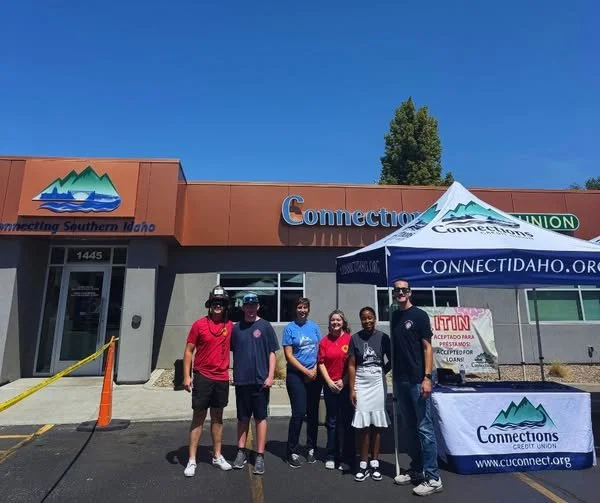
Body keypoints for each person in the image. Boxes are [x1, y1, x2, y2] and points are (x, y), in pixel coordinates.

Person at [391, 279, 443, 496]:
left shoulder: (420, 316)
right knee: (410, 428)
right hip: (400, 380)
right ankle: (417, 470)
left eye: (404, 290)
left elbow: (427, 348)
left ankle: (433, 478)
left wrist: (427, 377)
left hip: (417, 380)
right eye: (397, 290)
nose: (401, 293)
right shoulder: (394, 316)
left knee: (425, 428)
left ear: (410, 292)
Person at [183, 285, 233, 477]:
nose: (217, 306)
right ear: (209, 304)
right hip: (203, 377)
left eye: (220, 303)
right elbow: (188, 351)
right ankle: (192, 459)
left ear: (226, 305)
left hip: (221, 378)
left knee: (218, 418)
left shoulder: (230, 326)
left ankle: (217, 455)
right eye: (214, 302)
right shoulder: (199, 325)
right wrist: (186, 376)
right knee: (198, 417)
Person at [231, 292, 280, 475]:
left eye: (254, 306)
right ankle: (241, 451)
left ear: (258, 307)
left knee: (260, 418)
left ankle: (259, 455)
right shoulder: (236, 328)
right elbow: (233, 351)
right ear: (243, 307)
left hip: (260, 382)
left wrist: (270, 376)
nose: (250, 309)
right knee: (242, 418)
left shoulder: (265, 326)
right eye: (247, 306)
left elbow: (272, 353)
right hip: (242, 381)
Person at [348, 306, 391, 482]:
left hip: (377, 383)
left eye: (370, 318)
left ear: (375, 318)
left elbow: (391, 360)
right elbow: (351, 365)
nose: (367, 321)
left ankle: (375, 462)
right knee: (364, 426)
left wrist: (382, 371)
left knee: (377, 425)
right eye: (364, 318)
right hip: (361, 382)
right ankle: (363, 463)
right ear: (361, 320)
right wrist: (352, 389)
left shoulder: (383, 337)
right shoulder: (355, 339)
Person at [283, 297, 323, 468]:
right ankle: (291, 450)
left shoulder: (314, 327)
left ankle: (311, 447)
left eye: (305, 307)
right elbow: (289, 355)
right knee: (299, 413)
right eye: (299, 307)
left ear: (308, 309)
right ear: (295, 309)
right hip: (296, 376)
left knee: (313, 413)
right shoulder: (289, 328)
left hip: (314, 374)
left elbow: (320, 348)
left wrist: (313, 369)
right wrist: (305, 371)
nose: (302, 310)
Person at [317, 309, 355, 471]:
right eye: (333, 320)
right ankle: (331, 455)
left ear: (343, 322)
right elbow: (321, 363)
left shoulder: (349, 340)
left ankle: (346, 457)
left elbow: (353, 364)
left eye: (338, 320)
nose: (335, 323)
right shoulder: (324, 341)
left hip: (346, 386)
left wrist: (344, 381)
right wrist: (329, 382)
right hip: (330, 386)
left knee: (346, 421)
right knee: (331, 422)